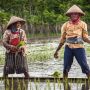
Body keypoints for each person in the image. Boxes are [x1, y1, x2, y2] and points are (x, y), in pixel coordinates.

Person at [54, 5, 90, 78]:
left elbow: (85, 38)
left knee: (85, 66)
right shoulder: (65, 25)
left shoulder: (83, 24)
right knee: (65, 68)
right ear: (70, 15)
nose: (74, 15)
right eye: (72, 14)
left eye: (76, 13)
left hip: (79, 48)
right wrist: (57, 51)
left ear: (79, 15)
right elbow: (63, 39)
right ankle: (65, 84)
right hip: (68, 48)